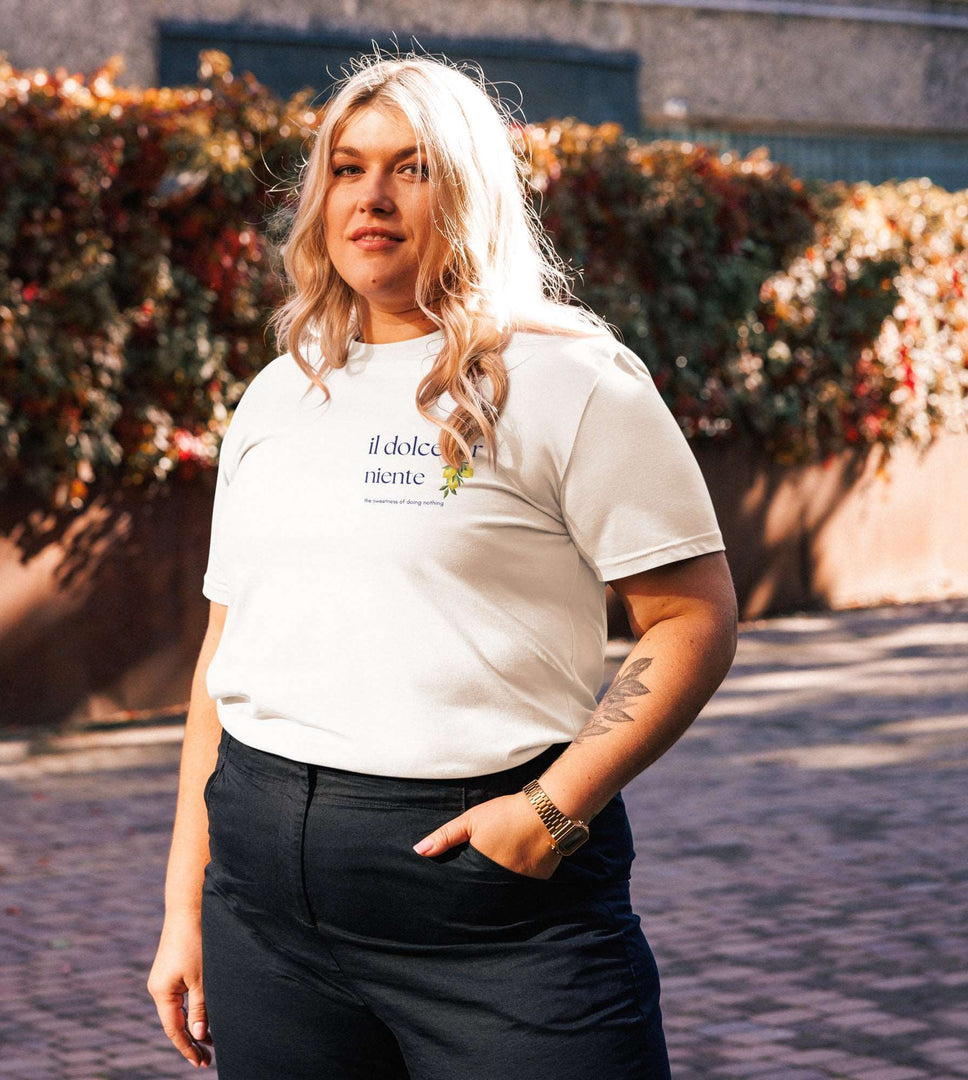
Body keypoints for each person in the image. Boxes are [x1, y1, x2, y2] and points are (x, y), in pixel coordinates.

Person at [148, 50, 738, 1079]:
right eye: (346, 167)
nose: (371, 197)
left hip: (496, 913)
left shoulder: (569, 378)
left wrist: (554, 811)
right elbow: (224, 654)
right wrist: (184, 907)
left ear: (468, 189)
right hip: (267, 913)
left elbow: (692, 618)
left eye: (411, 168)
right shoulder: (279, 394)